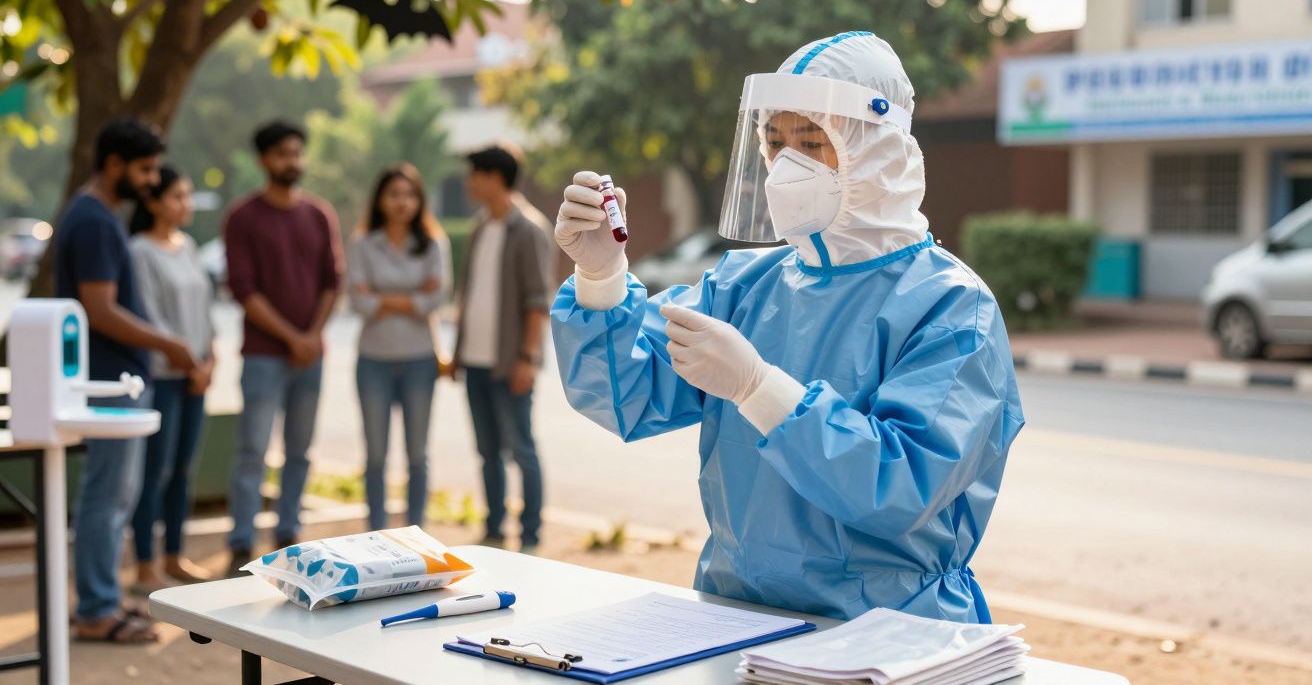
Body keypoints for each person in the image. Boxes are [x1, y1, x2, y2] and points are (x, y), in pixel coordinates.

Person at [550, 33, 1024, 623]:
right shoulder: (744, 285)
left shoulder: (951, 306)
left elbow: (901, 487)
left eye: (812, 141)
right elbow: (627, 396)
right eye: (775, 142)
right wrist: (601, 278)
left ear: (875, 149)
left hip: (888, 629)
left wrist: (759, 389)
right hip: (736, 614)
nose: (787, 164)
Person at [55, 119, 200, 644]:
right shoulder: (95, 220)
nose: (152, 180)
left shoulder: (97, 214)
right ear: (114, 163)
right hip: (109, 380)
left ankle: (102, 600)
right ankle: (96, 609)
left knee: (115, 496)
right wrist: (169, 344)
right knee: (107, 496)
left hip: (117, 376)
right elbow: (100, 309)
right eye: (144, 169)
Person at [223, 121, 343, 575]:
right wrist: (294, 338)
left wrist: (311, 336)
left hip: (311, 356)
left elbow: (333, 281)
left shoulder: (319, 214)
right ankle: (241, 542)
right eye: (281, 154)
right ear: (263, 160)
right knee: (252, 451)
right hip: (263, 356)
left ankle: (289, 535)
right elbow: (243, 289)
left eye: (296, 153)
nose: (291, 161)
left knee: (300, 451)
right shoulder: (242, 217)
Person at [454, 145, 554, 555]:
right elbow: (470, 294)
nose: (469, 183)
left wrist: (527, 358)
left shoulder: (528, 229)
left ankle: (530, 537)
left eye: (474, 174)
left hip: (510, 363)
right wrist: (457, 352)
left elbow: (538, 301)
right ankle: (494, 530)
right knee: (487, 452)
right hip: (475, 361)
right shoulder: (481, 226)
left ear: (494, 177)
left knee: (521, 449)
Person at [127, 165, 216, 592]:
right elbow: (149, 316)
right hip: (163, 377)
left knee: (183, 470)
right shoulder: (139, 251)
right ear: (153, 202)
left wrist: (209, 359)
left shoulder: (189, 246)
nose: (186, 204)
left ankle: (174, 556)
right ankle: (145, 566)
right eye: (177, 196)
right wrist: (188, 361)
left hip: (195, 376)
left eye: (188, 195)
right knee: (154, 472)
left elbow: (206, 311)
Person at [347, 163, 451, 531]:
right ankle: (375, 531)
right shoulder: (362, 244)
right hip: (373, 360)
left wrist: (381, 296)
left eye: (409, 195)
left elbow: (435, 298)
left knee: (417, 455)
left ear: (420, 200)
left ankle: (415, 531)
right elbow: (359, 303)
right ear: (380, 199)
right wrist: (411, 296)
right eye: (393, 194)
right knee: (375, 455)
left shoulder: (433, 243)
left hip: (420, 360)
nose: (401, 202)